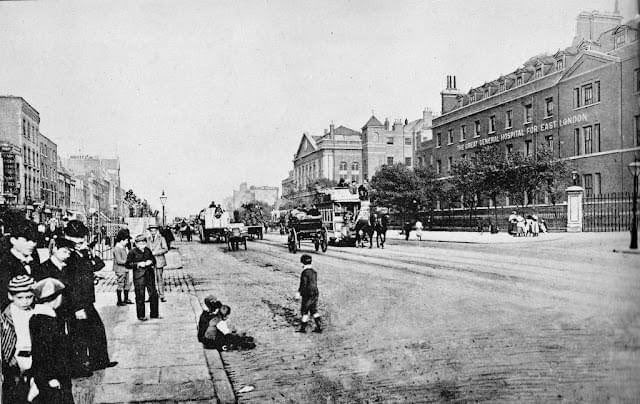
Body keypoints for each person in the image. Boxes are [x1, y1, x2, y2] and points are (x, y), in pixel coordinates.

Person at [64, 220, 117, 374]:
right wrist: (77, 307)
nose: (81, 240)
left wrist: (91, 253)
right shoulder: (68, 254)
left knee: (96, 330)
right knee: (78, 335)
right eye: (76, 238)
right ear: (68, 236)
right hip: (76, 302)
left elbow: (98, 266)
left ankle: (99, 361)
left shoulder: (83, 252)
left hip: (87, 299)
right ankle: (80, 367)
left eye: (82, 237)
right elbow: (71, 282)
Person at [29, 277, 74, 404]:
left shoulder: (36, 318)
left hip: (47, 377)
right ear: (56, 299)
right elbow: (46, 353)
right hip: (55, 379)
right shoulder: (49, 322)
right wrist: (51, 378)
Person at [1, 275, 36, 403]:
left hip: (33, 357)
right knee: (16, 394)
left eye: (29, 297)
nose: (25, 301)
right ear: (11, 296)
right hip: (15, 360)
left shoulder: (36, 311)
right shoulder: (7, 316)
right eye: (20, 298)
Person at [0, 220, 40, 311]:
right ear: (13, 240)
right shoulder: (4, 263)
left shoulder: (34, 260)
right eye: (27, 240)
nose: (32, 244)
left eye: (34, 240)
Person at [125, 234, 159, 321]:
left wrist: (150, 262)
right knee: (140, 295)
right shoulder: (132, 252)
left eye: (143, 243)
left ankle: (154, 313)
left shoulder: (148, 250)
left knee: (153, 294)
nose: (142, 245)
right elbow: (128, 264)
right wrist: (138, 264)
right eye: (139, 243)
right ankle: (141, 315)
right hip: (139, 276)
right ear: (136, 244)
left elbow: (154, 260)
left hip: (149, 275)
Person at [296, 254, 321, 334]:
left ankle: (303, 328)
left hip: (307, 294)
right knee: (314, 310)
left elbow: (303, 284)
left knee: (305, 310)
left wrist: (299, 293)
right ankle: (319, 326)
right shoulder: (314, 272)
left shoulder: (304, 273)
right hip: (315, 293)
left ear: (302, 263)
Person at [147, 225, 168, 302]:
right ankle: (151, 296)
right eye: (151, 231)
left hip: (159, 261)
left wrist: (156, 252)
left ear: (157, 231)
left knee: (159, 278)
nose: (153, 232)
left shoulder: (161, 238)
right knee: (150, 279)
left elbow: (165, 249)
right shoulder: (148, 239)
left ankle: (162, 296)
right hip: (150, 262)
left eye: (154, 231)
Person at [112, 232, 133, 306]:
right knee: (120, 284)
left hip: (125, 269)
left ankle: (126, 299)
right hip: (120, 269)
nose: (127, 242)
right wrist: (128, 262)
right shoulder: (117, 248)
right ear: (121, 240)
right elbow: (119, 260)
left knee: (127, 284)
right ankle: (119, 301)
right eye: (126, 240)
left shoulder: (123, 247)